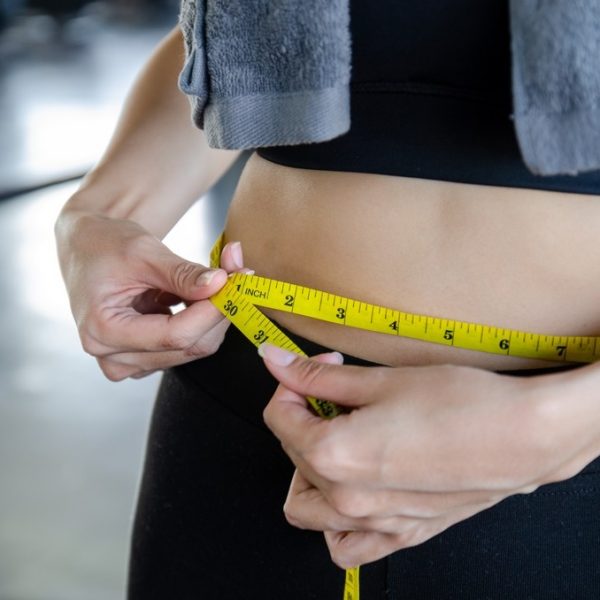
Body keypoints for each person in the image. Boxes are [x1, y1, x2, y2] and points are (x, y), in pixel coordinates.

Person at [55, 2, 600, 598]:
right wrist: (102, 211)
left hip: (564, 455)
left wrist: (564, 422)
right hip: (244, 406)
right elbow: (231, 37)